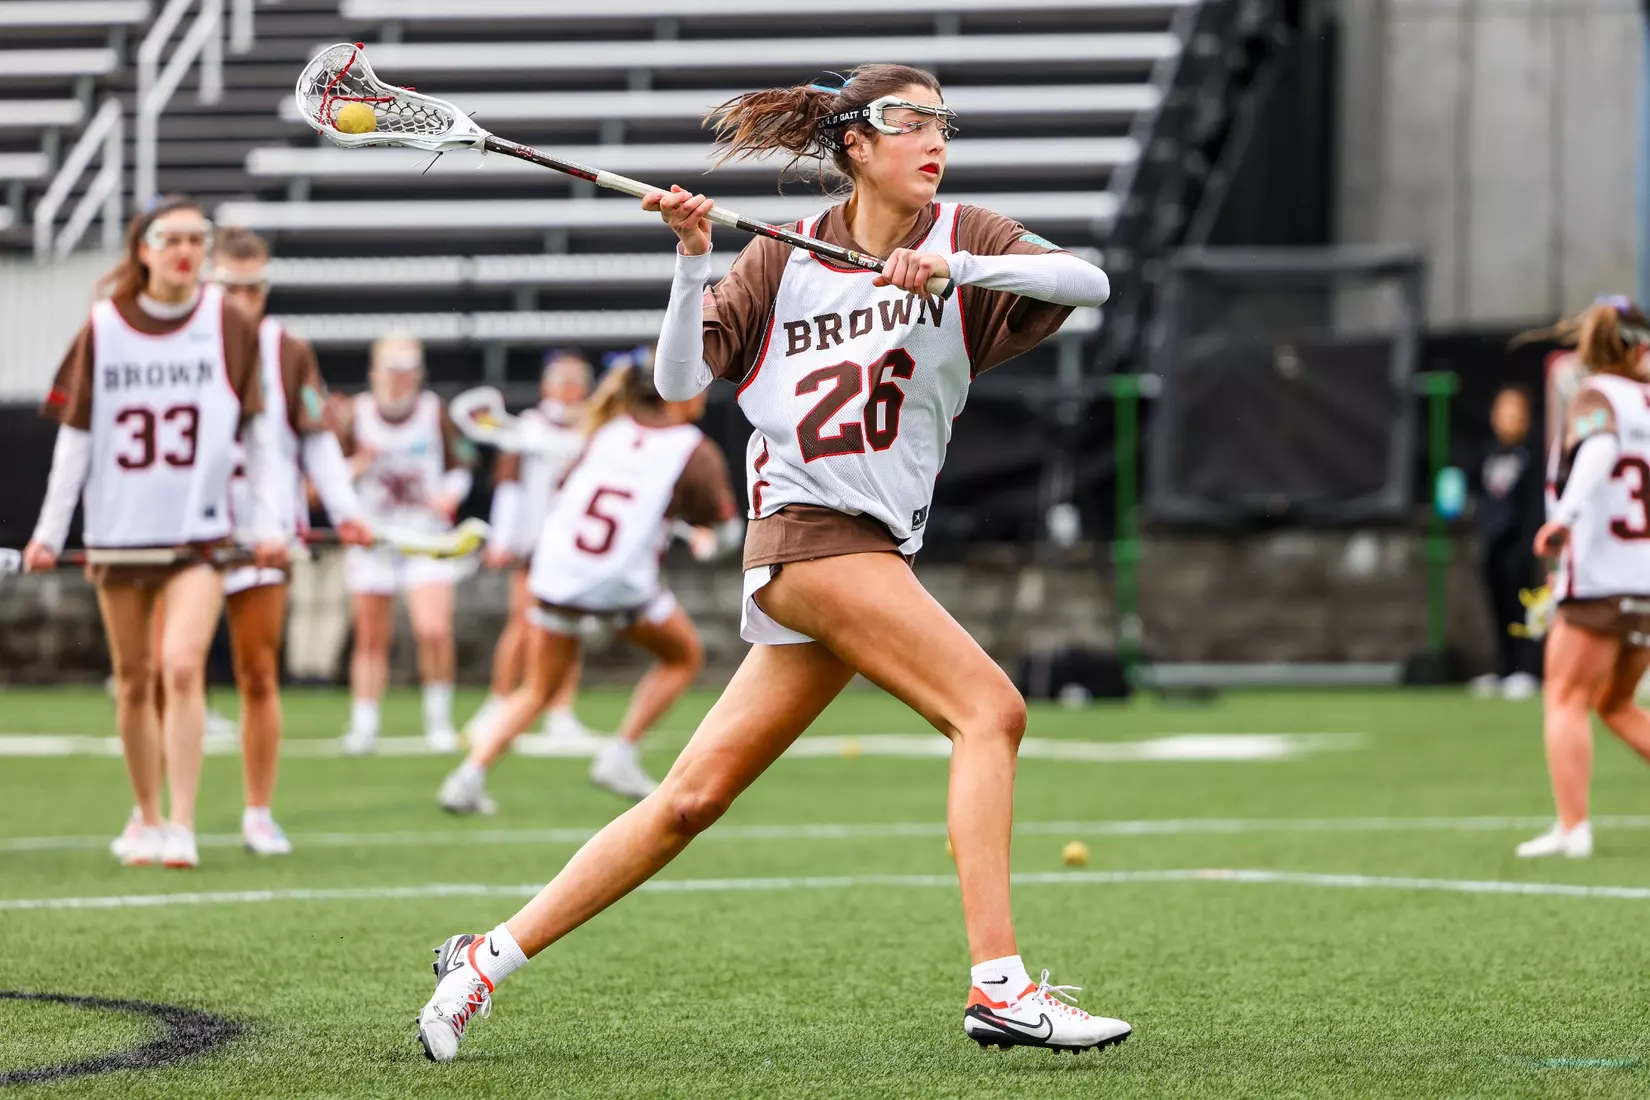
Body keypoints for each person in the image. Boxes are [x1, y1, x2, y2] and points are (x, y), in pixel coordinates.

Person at [415, 65, 1125, 1061]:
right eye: (908, 120)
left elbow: (1089, 280)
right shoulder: (780, 259)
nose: (935, 139)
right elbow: (675, 384)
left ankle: (483, 957)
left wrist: (952, 275)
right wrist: (691, 259)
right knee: (990, 709)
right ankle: (1001, 986)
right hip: (810, 533)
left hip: (866, 547)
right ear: (854, 146)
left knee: (689, 800)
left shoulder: (965, 236)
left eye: (942, 122)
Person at [23, 196, 288, 869]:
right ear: (143, 249)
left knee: (180, 666)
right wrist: (50, 532)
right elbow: (76, 440)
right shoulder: (104, 327)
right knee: (134, 678)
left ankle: (182, 822)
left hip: (196, 537)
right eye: (170, 239)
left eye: (197, 240)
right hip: (119, 532)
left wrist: (265, 524)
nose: (185, 252)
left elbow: (258, 439)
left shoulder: (227, 323)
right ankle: (144, 814)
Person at [440, 346, 736, 811]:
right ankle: (620, 753)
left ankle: (467, 779)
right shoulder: (693, 450)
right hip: (617, 582)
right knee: (683, 656)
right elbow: (726, 535)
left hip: (557, 572)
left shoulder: (606, 431)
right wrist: (705, 540)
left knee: (537, 688)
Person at [212, 226, 371, 851]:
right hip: (192, 529)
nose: (244, 300)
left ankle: (257, 810)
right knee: (165, 672)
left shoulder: (287, 349)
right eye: (231, 288)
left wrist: (347, 510)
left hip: (264, 528)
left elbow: (315, 439)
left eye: (254, 288)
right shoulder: (185, 341)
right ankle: (158, 817)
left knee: (257, 672)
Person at [1517, 296, 1650, 858]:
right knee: (1616, 703)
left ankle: (1573, 829)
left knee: (1565, 696)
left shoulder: (1597, 396)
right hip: (1646, 584)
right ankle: (1572, 827)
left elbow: (1596, 452)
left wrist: (1563, 520)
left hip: (1599, 579)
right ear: (1639, 347)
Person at [336, 337, 476, 754]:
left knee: (433, 628)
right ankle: (365, 722)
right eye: (392, 370)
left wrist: (449, 495)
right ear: (375, 372)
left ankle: (438, 720)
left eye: (406, 370)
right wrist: (355, 466)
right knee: (370, 635)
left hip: (425, 535)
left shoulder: (434, 412)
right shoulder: (354, 416)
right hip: (375, 536)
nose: (399, 380)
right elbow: (326, 473)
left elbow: (462, 464)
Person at [464, 350, 598, 749]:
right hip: (534, 541)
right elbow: (510, 484)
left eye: (576, 383)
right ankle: (499, 701)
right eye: (562, 382)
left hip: (576, 544)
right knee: (523, 624)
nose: (569, 391)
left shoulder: (596, 427)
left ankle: (561, 711)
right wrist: (504, 540)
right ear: (546, 386)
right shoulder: (527, 427)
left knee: (569, 628)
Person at [1467, 384, 1545, 700]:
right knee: (1498, 607)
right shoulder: (1485, 455)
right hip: (1492, 544)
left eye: (1516, 412)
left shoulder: (1533, 457)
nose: (1509, 419)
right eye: (1503, 411)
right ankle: (1505, 668)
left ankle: (1528, 670)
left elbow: (1535, 506)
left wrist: (1532, 544)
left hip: (1520, 546)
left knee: (1523, 610)